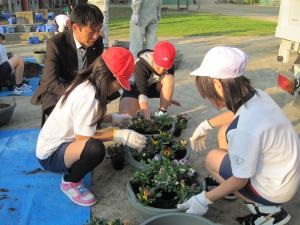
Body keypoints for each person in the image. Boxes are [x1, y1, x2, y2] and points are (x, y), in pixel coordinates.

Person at [177, 46, 300, 225]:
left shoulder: (244, 129)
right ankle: (230, 189)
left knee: (211, 159)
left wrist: (204, 198)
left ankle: (268, 213)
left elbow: (240, 180)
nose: (209, 99)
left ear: (217, 84)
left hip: (273, 190)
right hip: (286, 175)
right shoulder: (259, 95)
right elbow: (235, 114)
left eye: (207, 93)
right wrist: (206, 125)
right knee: (223, 131)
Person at [36, 47, 147, 207]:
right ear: (110, 77)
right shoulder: (89, 96)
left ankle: (70, 171)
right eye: (119, 83)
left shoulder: (87, 82)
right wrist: (120, 135)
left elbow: (84, 118)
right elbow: (85, 140)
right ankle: (70, 182)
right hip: (51, 155)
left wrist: (112, 118)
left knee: (93, 145)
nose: (118, 88)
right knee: (95, 150)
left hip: (58, 143)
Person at [31, 4, 104, 126]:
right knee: (66, 121)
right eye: (91, 32)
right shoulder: (56, 43)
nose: (96, 36)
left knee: (93, 118)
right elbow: (51, 81)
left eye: (98, 30)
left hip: (84, 88)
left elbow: (98, 71)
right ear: (75, 27)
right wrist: (80, 95)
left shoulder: (97, 41)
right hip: (57, 90)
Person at [119, 41, 180, 119]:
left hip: (150, 87)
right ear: (153, 57)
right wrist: (147, 118)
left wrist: (167, 98)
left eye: (165, 68)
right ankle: (136, 106)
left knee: (169, 78)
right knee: (126, 116)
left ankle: (162, 112)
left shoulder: (169, 65)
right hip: (134, 88)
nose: (161, 70)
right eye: (159, 65)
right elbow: (142, 93)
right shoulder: (141, 65)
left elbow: (168, 84)